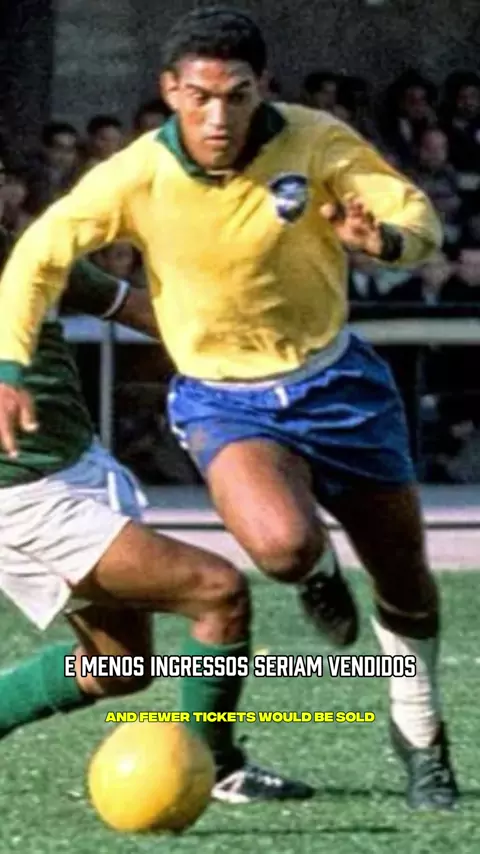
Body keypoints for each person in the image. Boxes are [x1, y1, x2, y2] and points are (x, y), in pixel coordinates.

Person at [0, 6, 457, 810]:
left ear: (260, 89)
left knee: (120, 664)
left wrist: (384, 242)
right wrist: (9, 370)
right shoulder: (135, 174)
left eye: (235, 96)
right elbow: (40, 260)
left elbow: (90, 287)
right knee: (239, 577)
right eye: (200, 97)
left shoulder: (313, 140)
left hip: (317, 389)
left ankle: (417, 736)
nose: (217, 116)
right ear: (171, 91)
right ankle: (219, 759)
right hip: (77, 470)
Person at [0, 226, 312, 804]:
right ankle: (216, 766)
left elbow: (132, 307)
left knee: (118, 668)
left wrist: (241, 346)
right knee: (217, 592)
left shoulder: (31, 254)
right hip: (24, 501)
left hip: (79, 468)